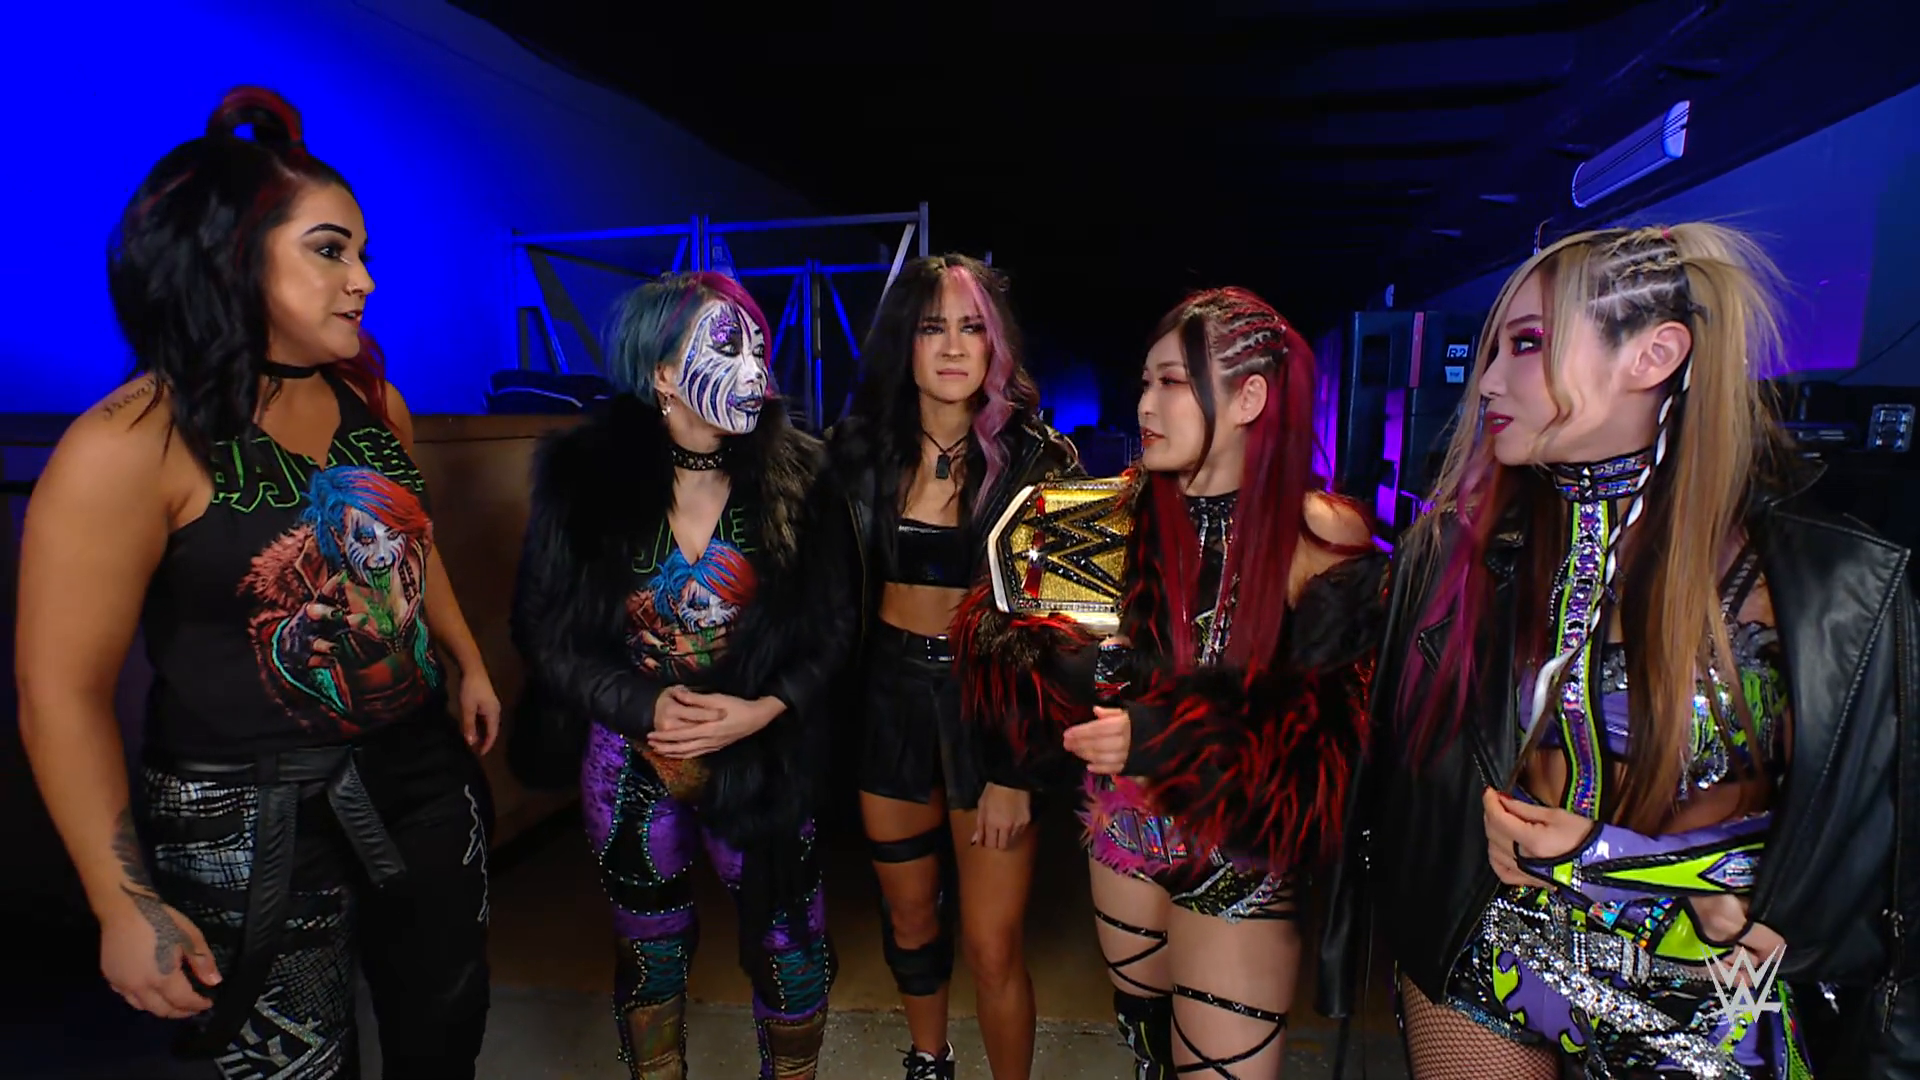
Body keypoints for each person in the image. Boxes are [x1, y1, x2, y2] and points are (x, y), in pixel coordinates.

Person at [1318, 223, 1920, 1079]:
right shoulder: (1457, 553)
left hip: (1707, 992)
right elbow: (1409, 782)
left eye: (1528, 344)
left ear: (1654, 355)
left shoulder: (1822, 584)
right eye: (1495, 349)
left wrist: (1627, 862)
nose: (1488, 381)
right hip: (1483, 947)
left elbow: (1865, 857)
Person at [16, 87, 499, 1079]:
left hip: (420, 773)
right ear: (227, 256)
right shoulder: (128, 443)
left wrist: (467, 658)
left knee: (445, 1029)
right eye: (329, 250)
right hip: (243, 815)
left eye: (362, 253)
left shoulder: (375, 403)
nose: (363, 281)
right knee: (292, 1067)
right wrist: (123, 902)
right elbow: (58, 693)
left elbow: (411, 541)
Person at [953, 286, 1384, 1079]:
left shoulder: (1319, 536)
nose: (1145, 404)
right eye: (1145, 382)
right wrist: (1045, 711)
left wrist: (1161, 731)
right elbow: (1007, 664)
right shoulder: (1095, 523)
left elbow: (1334, 735)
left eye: (1173, 383)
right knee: (1148, 1050)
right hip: (1123, 839)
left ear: (1250, 398)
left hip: (1242, 857)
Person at [509, 271, 850, 1080]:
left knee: (794, 952)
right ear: (662, 373)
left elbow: (835, 625)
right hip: (633, 763)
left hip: (764, 761)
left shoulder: (803, 478)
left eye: (759, 347)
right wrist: (643, 704)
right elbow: (545, 632)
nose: (755, 368)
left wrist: (764, 707)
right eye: (727, 346)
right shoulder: (584, 481)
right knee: (651, 955)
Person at [825, 253, 1081, 1079]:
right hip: (888, 702)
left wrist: (1016, 768)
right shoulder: (855, 451)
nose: (952, 346)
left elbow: (1059, 641)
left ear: (996, 344)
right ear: (905, 341)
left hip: (993, 710)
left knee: (993, 943)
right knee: (909, 921)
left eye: (972, 327)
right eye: (933, 327)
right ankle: (928, 1063)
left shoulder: (1040, 462)